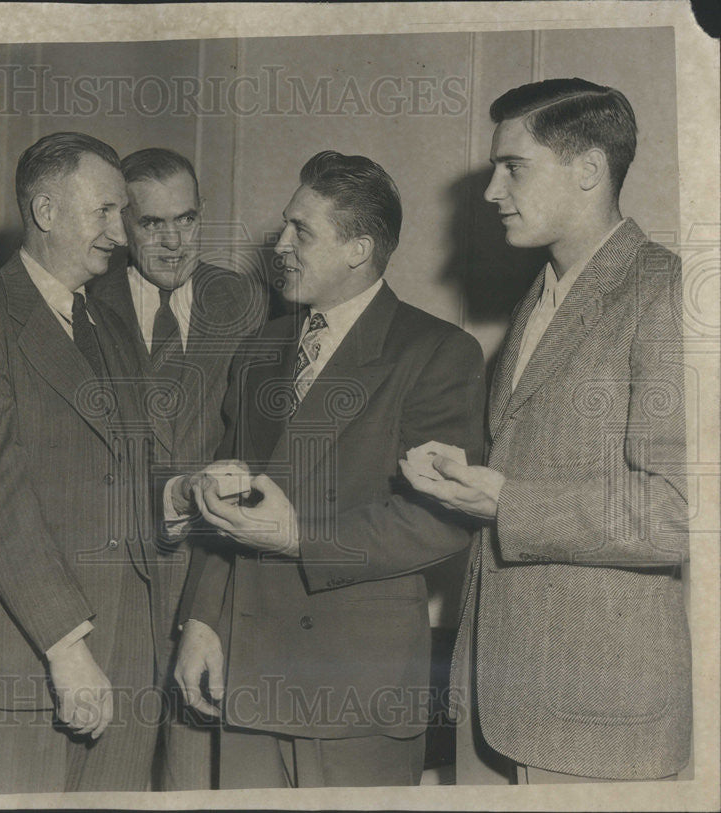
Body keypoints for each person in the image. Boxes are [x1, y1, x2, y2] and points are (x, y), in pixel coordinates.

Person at [401, 78, 691, 783]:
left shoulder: (667, 291)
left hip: (595, 714)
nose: (493, 191)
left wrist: (508, 503)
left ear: (588, 169)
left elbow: (683, 511)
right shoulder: (542, 295)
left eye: (513, 167)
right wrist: (462, 475)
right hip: (491, 698)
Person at [168, 150, 486, 788]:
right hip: (250, 668)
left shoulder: (436, 352)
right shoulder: (262, 347)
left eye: (300, 232)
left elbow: (443, 519)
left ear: (358, 249)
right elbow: (230, 495)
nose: (279, 244)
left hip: (354, 687)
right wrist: (202, 619)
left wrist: (301, 539)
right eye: (285, 225)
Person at [0, 132, 164, 794]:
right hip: (28, 661)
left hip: (125, 660)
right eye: (105, 211)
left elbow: (123, 475)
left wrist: (179, 497)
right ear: (45, 209)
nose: (121, 233)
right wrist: (67, 648)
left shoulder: (111, 329)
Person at [87, 147, 268, 790]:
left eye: (187, 220)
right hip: (112, 582)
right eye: (152, 224)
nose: (173, 241)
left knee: (196, 779)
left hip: (212, 577)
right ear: (118, 225)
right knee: (110, 777)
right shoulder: (81, 301)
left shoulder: (248, 302)